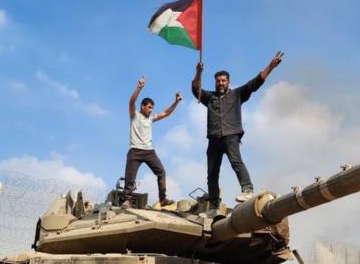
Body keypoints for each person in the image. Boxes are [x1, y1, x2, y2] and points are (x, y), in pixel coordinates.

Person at [191, 51, 283, 215]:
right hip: (213, 138)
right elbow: (195, 88)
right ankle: (213, 207)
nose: (220, 83)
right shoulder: (209, 97)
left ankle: (247, 189)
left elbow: (256, 82)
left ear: (228, 82)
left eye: (223, 81)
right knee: (212, 174)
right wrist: (198, 72)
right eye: (218, 81)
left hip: (231, 134)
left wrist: (271, 67)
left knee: (236, 161)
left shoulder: (237, 94)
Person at [121, 76, 182, 207]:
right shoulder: (134, 115)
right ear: (142, 107)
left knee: (161, 172)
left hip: (149, 151)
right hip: (135, 150)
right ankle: (127, 199)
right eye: (149, 107)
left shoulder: (151, 118)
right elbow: (131, 102)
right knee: (130, 177)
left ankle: (163, 199)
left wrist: (176, 102)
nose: (151, 110)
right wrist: (139, 87)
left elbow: (166, 113)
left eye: (152, 108)